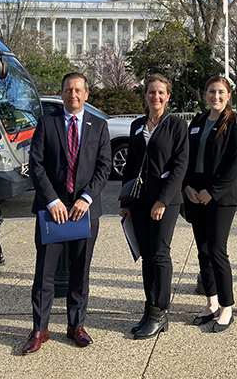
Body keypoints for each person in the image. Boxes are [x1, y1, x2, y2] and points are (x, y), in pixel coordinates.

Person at [22, 72, 112, 353]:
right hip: (53, 212)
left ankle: (77, 325)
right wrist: (52, 201)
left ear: (86, 94)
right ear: (61, 94)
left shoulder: (98, 126)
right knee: (44, 273)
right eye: (68, 90)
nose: (73, 95)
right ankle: (40, 328)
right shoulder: (46, 124)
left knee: (80, 272)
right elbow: (36, 165)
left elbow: (104, 166)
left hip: (85, 212)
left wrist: (86, 197)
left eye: (78, 90)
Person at [120, 73, 189, 339]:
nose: (155, 97)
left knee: (160, 254)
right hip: (138, 200)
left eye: (161, 92)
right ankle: (150, 309)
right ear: (145, 95)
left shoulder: (176, 125)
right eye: (151, 92)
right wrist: (125, 202)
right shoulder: (137, 125)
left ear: (168, 96)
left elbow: (180, 167)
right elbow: (130, 165)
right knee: (146, 255)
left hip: (165, 200)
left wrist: (163, 200)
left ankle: (161, 312)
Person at [183, 76, 237, 332]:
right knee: (203, 250)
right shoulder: (197, 121)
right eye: (211, 92)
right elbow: (185, 156)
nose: (215, 97)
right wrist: (186, 185)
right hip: (195, 194)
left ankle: (226, 306)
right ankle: (210, 303)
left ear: (228, 95)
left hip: (221, 197)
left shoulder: (235, 122)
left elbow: (235, 164)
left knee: (217, 250)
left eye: (221, 92)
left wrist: (212, 191)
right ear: (205, 94)